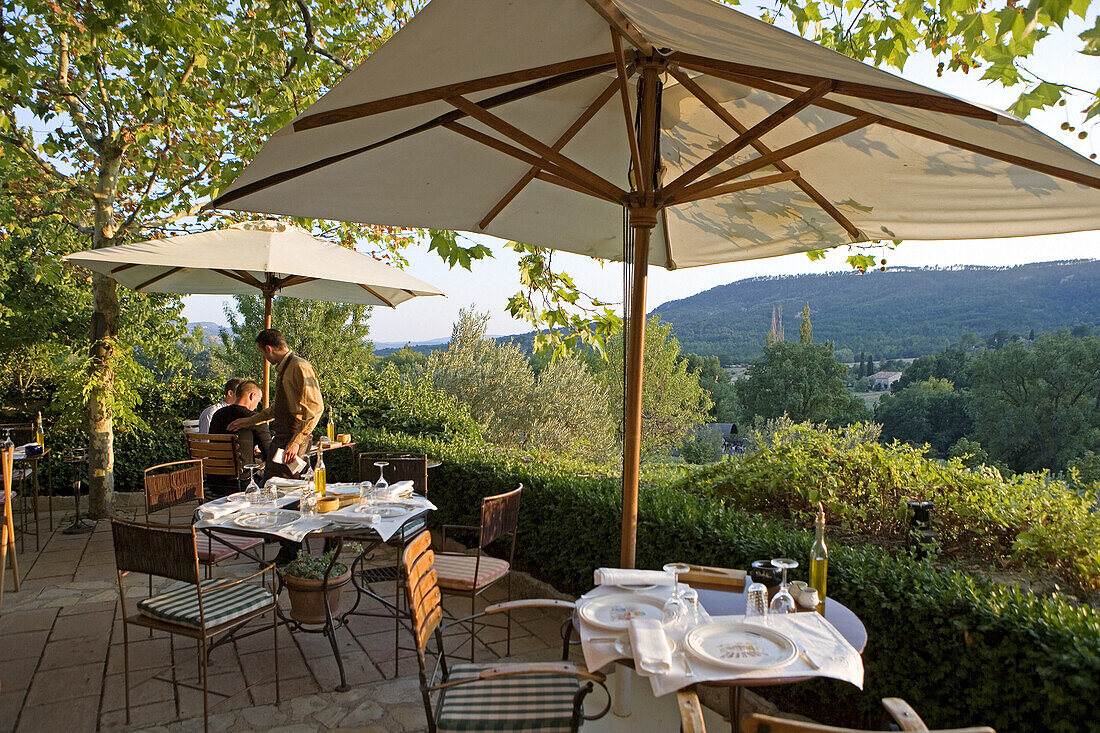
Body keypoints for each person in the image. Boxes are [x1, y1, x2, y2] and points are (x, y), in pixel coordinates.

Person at [227, 329, 323, 479]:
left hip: (292, 438)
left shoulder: (300, 367)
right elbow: (277, 409)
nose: (263, 357)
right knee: (273, 483)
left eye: (262, 352)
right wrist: (251, 420)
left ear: (268, 349)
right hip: (282, 438)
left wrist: (295, 442)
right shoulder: (285, 369)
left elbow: (315, 408)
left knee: (287, 488)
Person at [210, 380, 273, 475]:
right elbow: (269, 454)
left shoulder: (217, 415)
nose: (256, 406)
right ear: (253, 396)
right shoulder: (255, 420)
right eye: (258, 401)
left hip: (215, 479)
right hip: (243, 479)